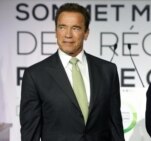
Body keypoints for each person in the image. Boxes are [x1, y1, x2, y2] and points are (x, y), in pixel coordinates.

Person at [20, 3, 125, 141]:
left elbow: (115, 125)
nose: (68, 35)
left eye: (75, 28)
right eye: (62, 27)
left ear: (86, 33)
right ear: (56, 31)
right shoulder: (35, 75)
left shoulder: (107, 71)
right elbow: (30, 134)